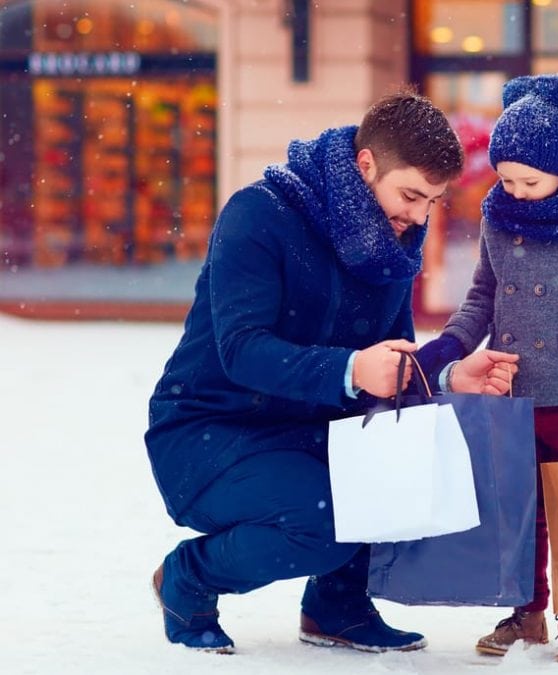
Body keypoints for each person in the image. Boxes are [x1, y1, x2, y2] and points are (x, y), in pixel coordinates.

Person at [144, 89, 519, 654]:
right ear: (366, 164)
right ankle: (188, 578)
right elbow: (242, 351)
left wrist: (445, 378)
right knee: (322, 523)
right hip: (210, 431)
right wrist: (350, 369)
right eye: (411, 195)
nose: (418, 217)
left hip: (311, 433)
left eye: (432, 203)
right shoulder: (259, 215)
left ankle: (336, 607)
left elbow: (389, 362)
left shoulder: (390, 244)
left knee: (402, 480)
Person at [424, 74, 558, 663]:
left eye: (530, 180)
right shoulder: (500, 219)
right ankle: (526, 612)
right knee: (520, 508)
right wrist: (449, 346)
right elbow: (482, 296)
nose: (516, 191)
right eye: (506, 179)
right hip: (512, 386)